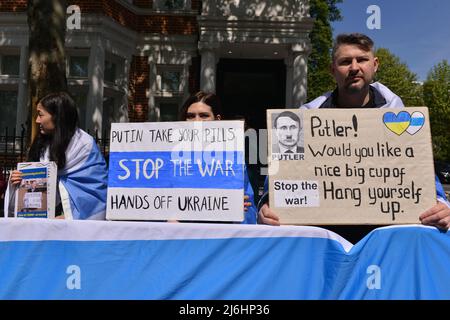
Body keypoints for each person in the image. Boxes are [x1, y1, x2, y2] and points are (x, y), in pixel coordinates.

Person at [258, 33, 450, 240]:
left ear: (375, 65)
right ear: (333, 70)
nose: (354, 67)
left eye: (362, 59)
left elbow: (420, 169)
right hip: (325, 238)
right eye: (345, 62)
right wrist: (268, 204)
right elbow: (281, 174)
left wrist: (442, 204)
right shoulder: (304, 117)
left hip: (386, 238)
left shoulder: (401, 117)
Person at [4, 92, 108, 220]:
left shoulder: (84, 145)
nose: (37, 120)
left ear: (57, 117)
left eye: (41, 115)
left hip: (76, 224)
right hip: (42, 221)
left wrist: (68, 216)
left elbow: (95, 192)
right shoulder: (41, 144)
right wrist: (18, 180)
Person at [179, 91, 258, 224]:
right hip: (179, 235)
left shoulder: (232, 160)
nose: (197, 121)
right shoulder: (169, 156)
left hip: (221, 237)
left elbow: (249, 208)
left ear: (217, 119)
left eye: (204, 116)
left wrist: (240, 210)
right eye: (190, 116)